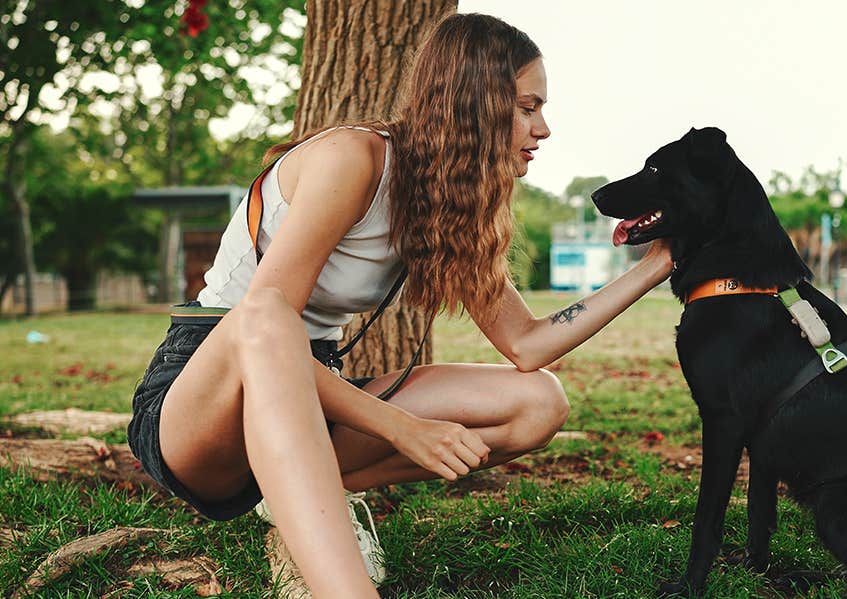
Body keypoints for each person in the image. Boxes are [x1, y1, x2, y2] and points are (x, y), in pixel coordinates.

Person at [127, 13, 672, 598]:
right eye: (527, 107)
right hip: (203, 396)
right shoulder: (354, 159)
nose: (543, 129)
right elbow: (260, 326)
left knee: (537, 401)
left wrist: (655, 266)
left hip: (313, 391)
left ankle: (301, 499)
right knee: (265, 316)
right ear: (475, 104)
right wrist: (403, 428)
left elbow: (528, 344)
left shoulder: (445, 204)